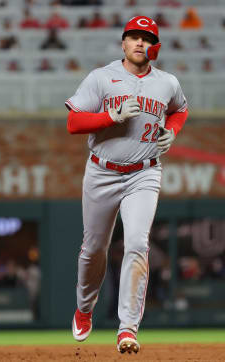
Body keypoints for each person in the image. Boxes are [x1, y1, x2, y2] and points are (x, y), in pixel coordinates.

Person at [65, 15, 188, 354]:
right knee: (93, 250)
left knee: (137, 243)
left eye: (146, 39)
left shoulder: (167, 83)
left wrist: (173, 131)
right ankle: (84, 308)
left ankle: (128, 328)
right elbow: (73, 122)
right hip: (102, 171)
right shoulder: (102, 78)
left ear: (155, 46)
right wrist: (110, 116)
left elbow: (180, 110)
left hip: (144, 173)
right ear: (123, 43)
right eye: (133, 37)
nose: (139, 43)